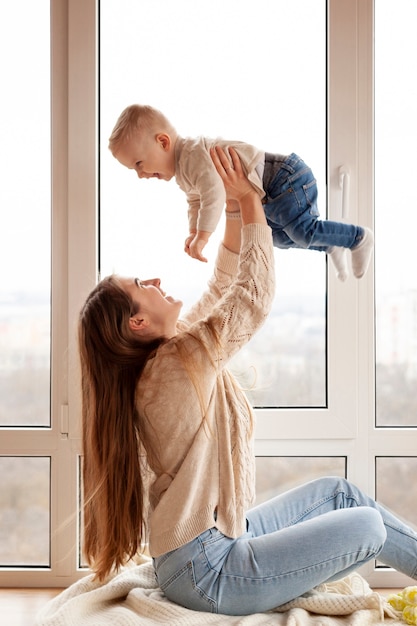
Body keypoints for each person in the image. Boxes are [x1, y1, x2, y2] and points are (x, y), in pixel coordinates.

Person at [78, 147, 416, 616]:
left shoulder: (168, 356)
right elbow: (249, 301)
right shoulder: (173, 366)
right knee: (368, 529)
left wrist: (235, 205)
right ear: (136, 323)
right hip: (207, 573)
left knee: (340, 494)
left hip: (214, 545)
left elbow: (221, 289)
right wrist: (252, 203)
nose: (155, 279)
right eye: (141, 285)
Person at [108, 104, 373, 281]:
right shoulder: (183, 171)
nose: (140, 175)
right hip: (269, 194)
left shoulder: (192, 155)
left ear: (163, 142)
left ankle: (358, 238)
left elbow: (213, 193)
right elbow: (195, 200)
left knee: (303, 231)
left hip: (284, 177)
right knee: (279, 238)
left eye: (139, 164)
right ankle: (331, 244)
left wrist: (203, 236)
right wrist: (192, 230)